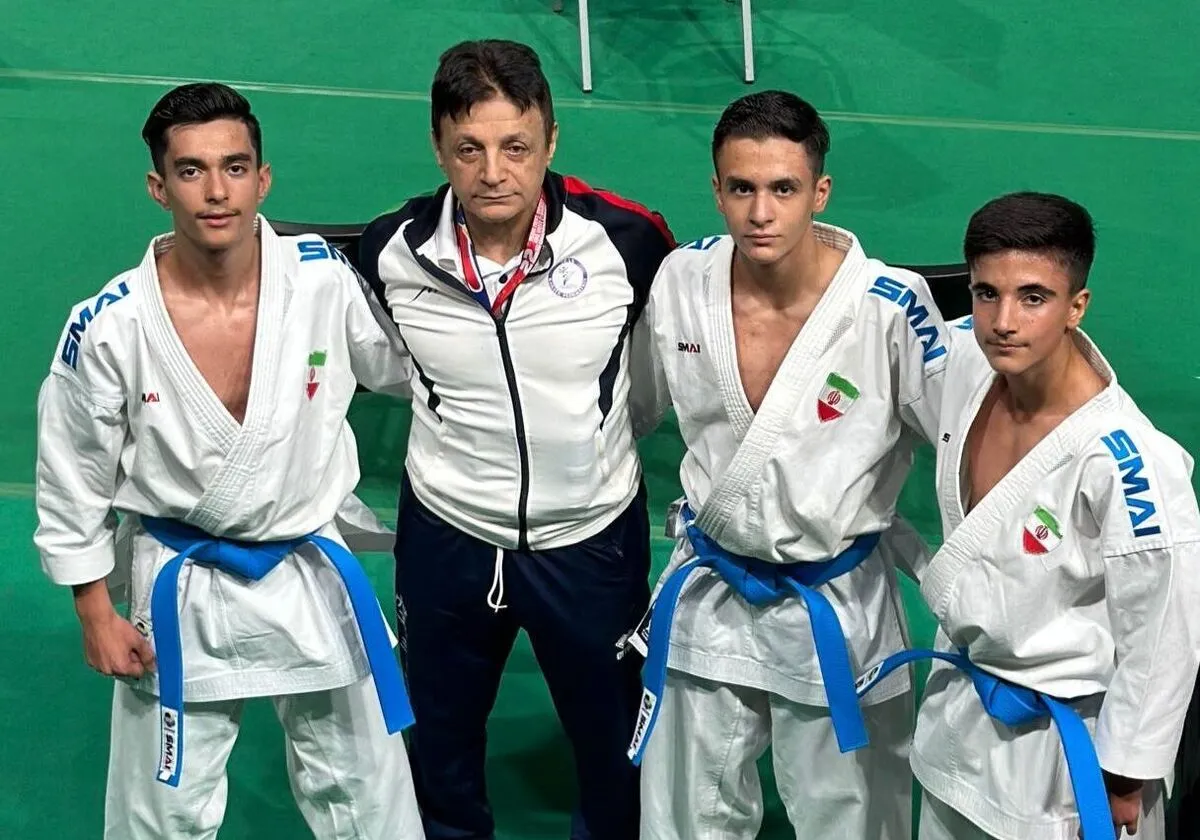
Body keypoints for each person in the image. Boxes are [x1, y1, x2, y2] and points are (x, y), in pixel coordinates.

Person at [33, 82, 425, 839]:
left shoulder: (321, 280)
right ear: (158, 187)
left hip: (311, 569)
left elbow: (408, 369)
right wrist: (94, 611)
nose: (217, 191)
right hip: (180, 586)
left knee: (371, 802)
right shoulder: (110, 324)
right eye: (191, 170)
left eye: (235, 167)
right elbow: (71, 473)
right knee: (159, 815)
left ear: (262, 179)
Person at [357, 40, 676, 840]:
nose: (494, 172)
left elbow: (651, 382)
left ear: (552, 141)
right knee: (440, 746)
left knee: (614, 751)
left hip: (591, 545)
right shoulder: (389, 251)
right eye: (469, 149)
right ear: (438, 147)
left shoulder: (630, 241)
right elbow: (390, 365)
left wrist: (586, 446)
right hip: (447, 542)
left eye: (516, 146)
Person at [629, 89, 948, 839]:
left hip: (835, 606)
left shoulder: (890, 308)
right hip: (710, 592)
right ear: (716, 190)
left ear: (820, 192)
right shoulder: (681, 279)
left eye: (784, 189)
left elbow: (964, 450)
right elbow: (630, 411)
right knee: (683, 821)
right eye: (742, 189)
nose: (761, 212)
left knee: (853, 825)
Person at [900, 192, 1200, 839]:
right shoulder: (968, 366)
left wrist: (1126, 775)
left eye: (1033, 297)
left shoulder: (1129, 460)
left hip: (1070, 759)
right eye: (986, 294)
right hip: (959, 726)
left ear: (1076, 306)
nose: (1004, 321)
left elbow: (1164, 632)